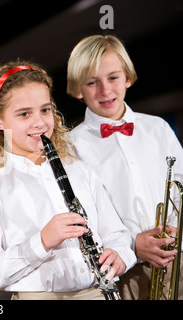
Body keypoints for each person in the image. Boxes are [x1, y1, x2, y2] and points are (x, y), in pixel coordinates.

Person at [0, 59, 136, 300]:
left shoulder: (79, 171)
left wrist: (121, 255)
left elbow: (117, 234)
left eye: (45, 110)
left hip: (98, 290)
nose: (40, 123)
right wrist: (42, 241)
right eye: (24, 114)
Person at [67, 35, 183, 299]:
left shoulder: (157, 128)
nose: (105, 91)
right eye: (92, 83)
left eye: (113, 78)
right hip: (123, 271)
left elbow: (180, 188)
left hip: (177, 259)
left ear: (128, 78)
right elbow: (84, 215)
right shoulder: (71, 147)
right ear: (78, 89)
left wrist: (176, 230)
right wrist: (132, 243)